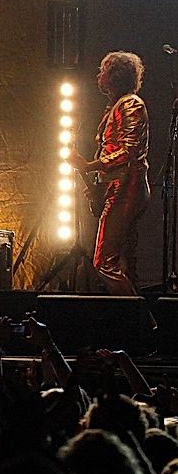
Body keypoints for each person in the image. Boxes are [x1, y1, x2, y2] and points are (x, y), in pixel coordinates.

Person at [67, 51, 150, 295]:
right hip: (121, 185)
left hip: (127, 188)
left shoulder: (130, 104)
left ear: (115, 76)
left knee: (104, 262)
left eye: (103, 71)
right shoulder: (119, 106)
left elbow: (128, 151)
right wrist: (97, 184)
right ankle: (137, 322)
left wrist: (90, 166)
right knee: (125, 260)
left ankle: (139, 324)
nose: (98, 76)